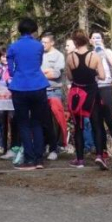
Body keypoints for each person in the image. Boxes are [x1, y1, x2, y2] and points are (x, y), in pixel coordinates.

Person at [7, 18, 51, 171]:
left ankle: (30, 158)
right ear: (33, 30)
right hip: (38, 85)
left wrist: (18, 73)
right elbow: (38, 63)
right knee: (37, 123)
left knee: (24, 124)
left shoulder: (13, 47)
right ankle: (39, 159)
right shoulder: (38, 46)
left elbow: (10, 69)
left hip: (19, 86)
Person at [66, 30, 106, 168]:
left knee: (78, 126)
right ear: (87, 41)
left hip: (77, 93)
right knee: (97, 124)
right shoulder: (94, 56)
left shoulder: (70, 57)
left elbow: (70, 77)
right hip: (92, 93)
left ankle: (80, 159)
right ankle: (100, 155)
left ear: (75, 42)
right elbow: (102, 76)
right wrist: (93, 72)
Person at [90, 31, 112, 161]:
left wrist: (103, 49)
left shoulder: (107, 51)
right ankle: (101, 151)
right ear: (90, 41)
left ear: (102, 39)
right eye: (93, 38)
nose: (95, 40)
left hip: (106, 87)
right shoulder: (90, 53)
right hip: (94, 88)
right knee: (96, 121)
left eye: (98, 38)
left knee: (109, 120)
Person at [41, 32, 66, 160]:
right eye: (42, 42)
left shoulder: (59, 56)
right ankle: (45, 145)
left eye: (45, 42)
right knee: (43, 121)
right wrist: (46, 72)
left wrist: (42, 73)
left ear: (52, 42)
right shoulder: (39, 54)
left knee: (55, 120)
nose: (43, 44)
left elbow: (56, 74)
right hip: (41, 91)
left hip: (54, 91)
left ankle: (55, 147)